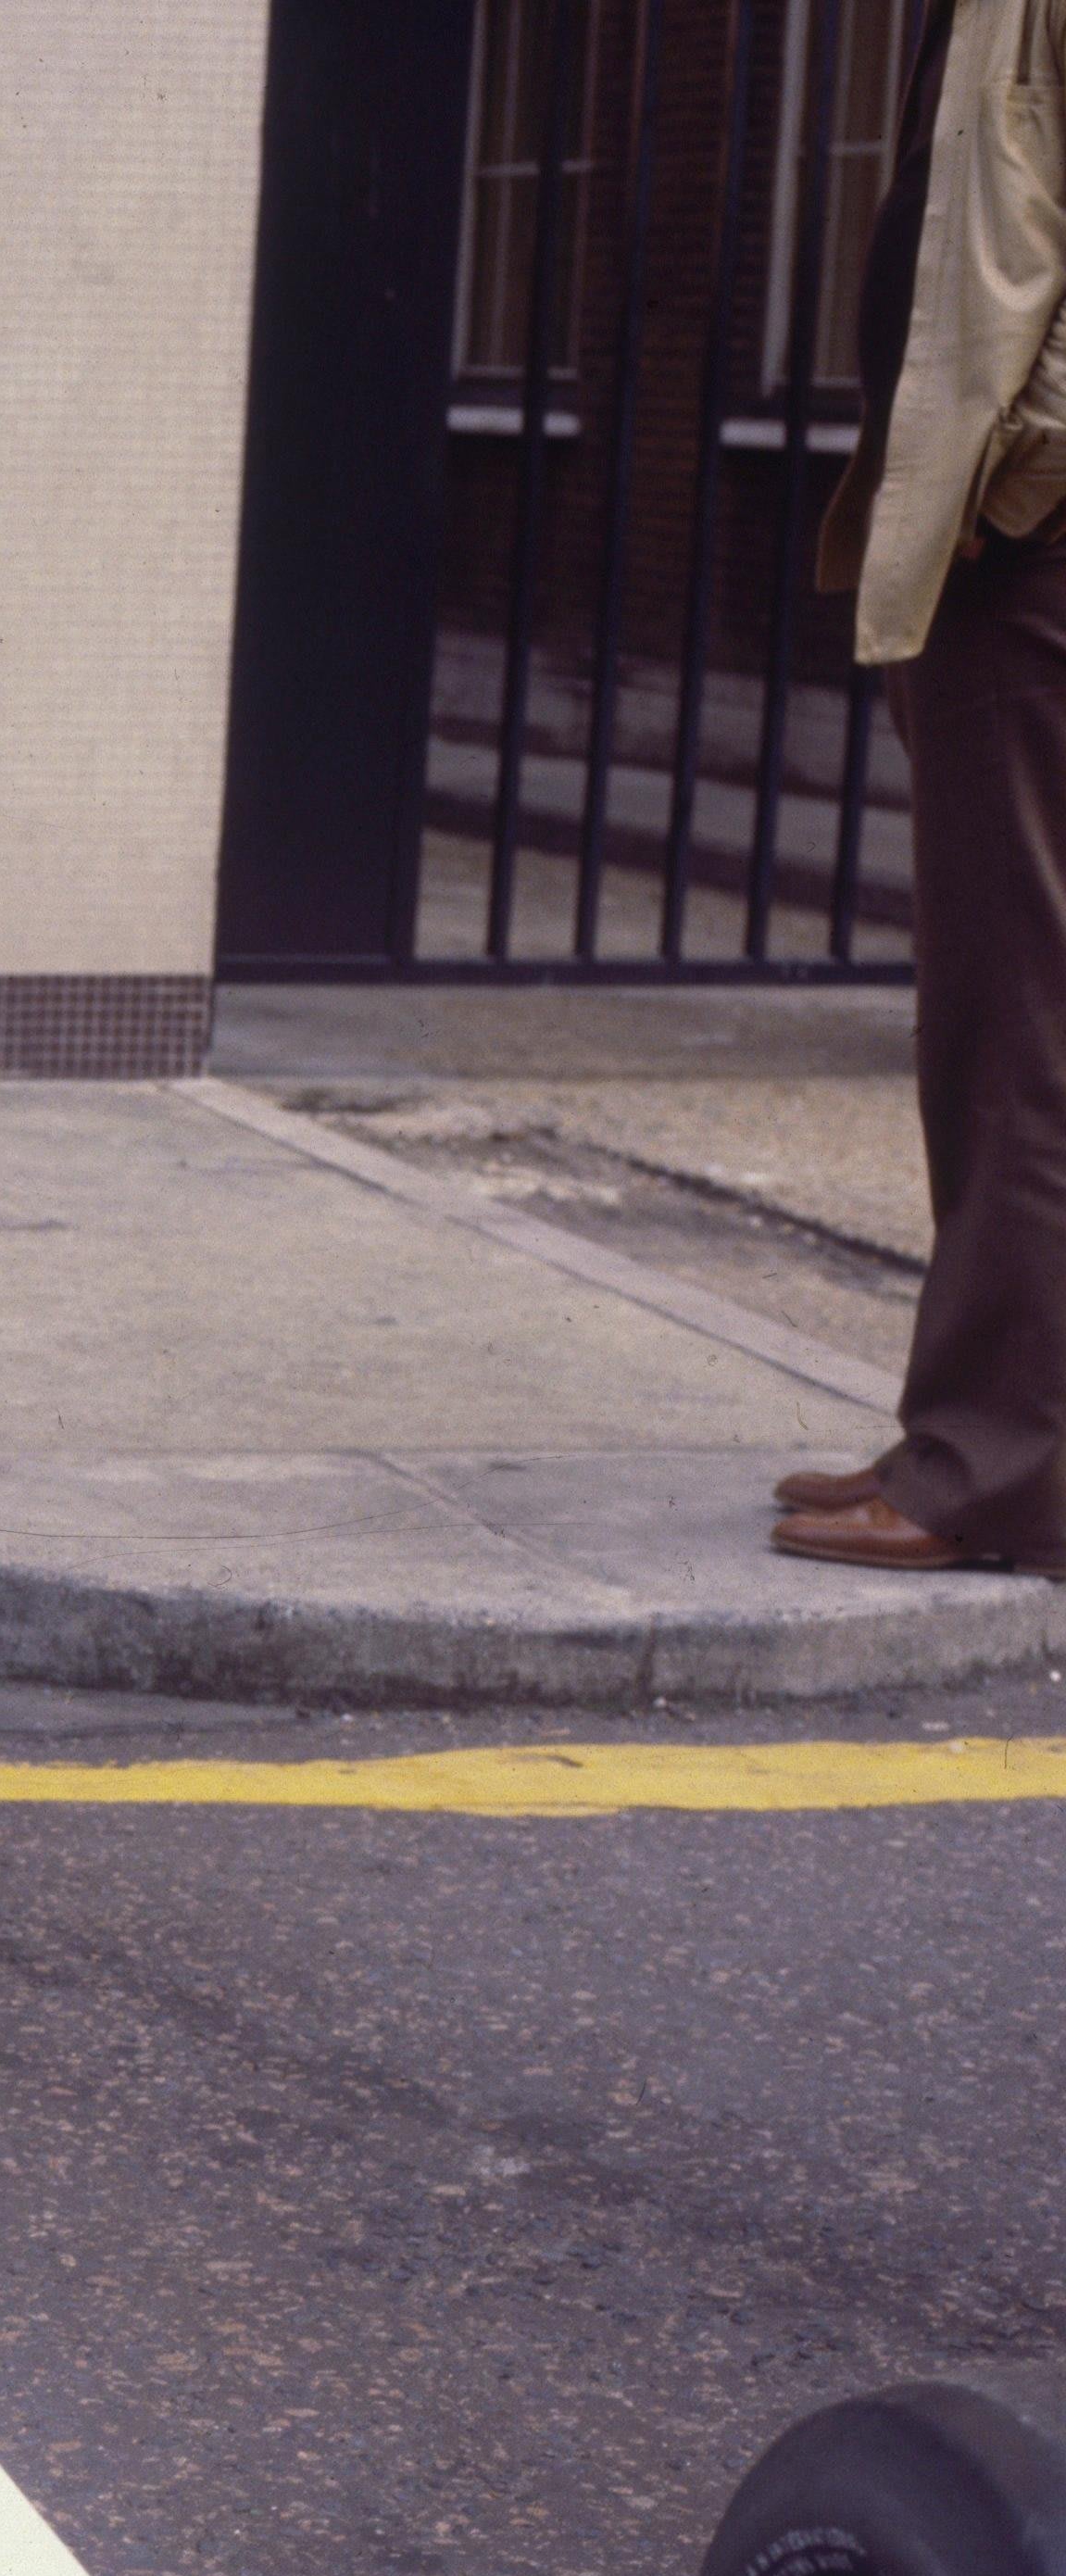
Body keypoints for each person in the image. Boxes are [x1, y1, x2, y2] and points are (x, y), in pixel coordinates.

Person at [775, 0, 1066, 1576]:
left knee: (1017, 1022)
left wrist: (1015, 490)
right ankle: (960, 1428)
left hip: (1025, 562)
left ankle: (994, 1467)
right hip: (986, 556)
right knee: (988, 1018)